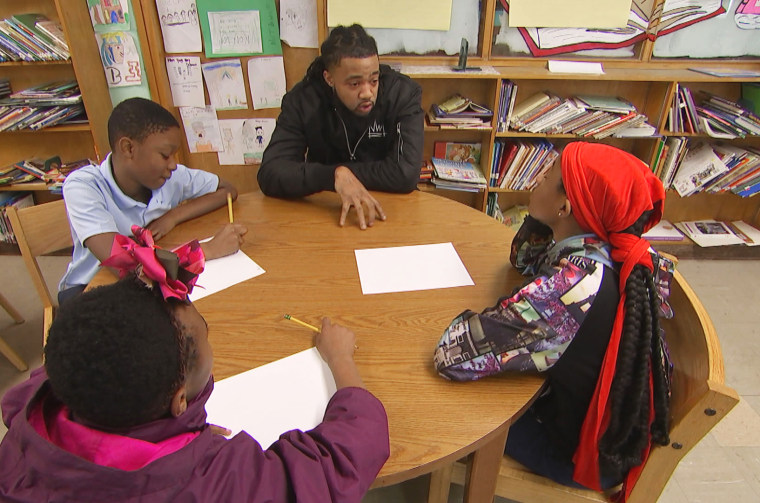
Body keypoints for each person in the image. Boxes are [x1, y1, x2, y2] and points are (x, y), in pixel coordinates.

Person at [0, 231, 389, 501]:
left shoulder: (37, 412)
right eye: (206, 336)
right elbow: (346, 455)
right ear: (179, 399)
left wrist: (173, 434)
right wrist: (339, 357)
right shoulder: (221, 484)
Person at [433, 142, 674, 501]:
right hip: (610, 425)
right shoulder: (615, 247)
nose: (536, 180)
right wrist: (546, 218)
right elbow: (523, 262)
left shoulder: (570, 291)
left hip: (575, 451)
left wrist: (502, 313)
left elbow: (451, 355)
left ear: (566, 207)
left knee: (440, 399)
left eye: (548, 176)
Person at [58, 97, 247, 304]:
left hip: (148, 288)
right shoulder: (83, 186)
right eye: (165, 155)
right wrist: (207, 251)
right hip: (89, 292)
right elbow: (124, 264)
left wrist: (174, 216)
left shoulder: (170, 177)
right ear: (129, 149)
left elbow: (227, 190)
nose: (174, 165)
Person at [258, 24, 423, 230]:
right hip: (327, 211)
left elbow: (406, 174)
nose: (367, 92)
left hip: (389, 211)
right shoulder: (304, 100)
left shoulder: (401, 94)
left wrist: (345, 173)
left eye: (373, 80)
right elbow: (270, 173)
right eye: (354, 84)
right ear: (329, 78)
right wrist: (332, 176)